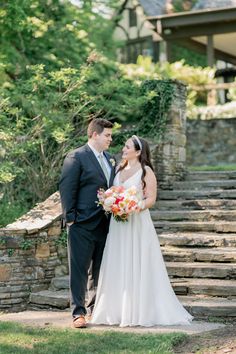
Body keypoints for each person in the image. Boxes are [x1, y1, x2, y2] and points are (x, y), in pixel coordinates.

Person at [91, 135, 193, 327]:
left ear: (138, 152)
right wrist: (109, 202)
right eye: (124, 146)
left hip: (137, 222)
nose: (123, 149)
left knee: (139, 261)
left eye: (127, 146)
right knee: (118, 261)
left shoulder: (146, 171)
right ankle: (117, 310)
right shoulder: (118, 169)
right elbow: (113, 192)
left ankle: (140, 310)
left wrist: (133, 206)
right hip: (119, 224)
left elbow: (151, 199)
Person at [59, 118, 115, 328]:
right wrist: (71, 219)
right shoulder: (76, 156)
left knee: (99, 270)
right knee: (79, 269)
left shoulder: (110, 159)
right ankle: (78, 313)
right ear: (94, 135)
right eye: (107, 135)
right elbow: (66, 188)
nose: (111, 139)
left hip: (104, 224)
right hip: (81, 223)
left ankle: (95, 309)